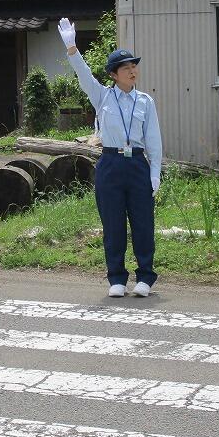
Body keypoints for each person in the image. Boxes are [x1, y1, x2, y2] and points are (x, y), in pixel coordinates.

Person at [57, 18, 163, 297]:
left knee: (143, 223)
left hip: (137, 164)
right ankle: (116, 277)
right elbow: (84, 75)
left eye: (134, 66)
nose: (132, 71)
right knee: (113, 223)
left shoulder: (145, 101)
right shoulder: (102, 96)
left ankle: (145, 277)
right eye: (126, 68)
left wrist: (155, 172)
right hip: (110, 163)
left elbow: (153, 140)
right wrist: (72, 48)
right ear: (114, 74)